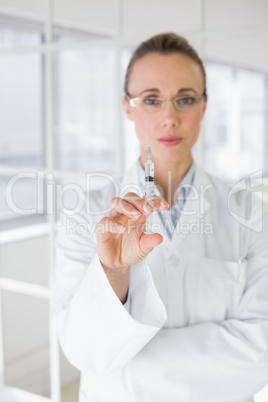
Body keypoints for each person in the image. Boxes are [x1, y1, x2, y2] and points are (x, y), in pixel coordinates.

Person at [54, 33, 268, 402]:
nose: (170, 118)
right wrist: (114, 272)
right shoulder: (84, 212)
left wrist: (128, 368)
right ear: (127, 108)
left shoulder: (252, 214)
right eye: (151, 100)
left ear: (203, 106)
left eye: (185, 99)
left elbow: (262, 349)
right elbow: (83, 351)